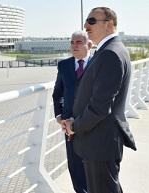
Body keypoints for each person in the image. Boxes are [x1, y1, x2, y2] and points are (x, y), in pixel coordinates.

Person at [64, 7, 137, 193]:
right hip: (100, 141)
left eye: (92, 20)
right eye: (86, 21)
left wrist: (74, 126)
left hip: (100, 142)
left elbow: (100, 107)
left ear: (110, 24)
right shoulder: (108, 50)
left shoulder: (110, 54)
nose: (86, 25)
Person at [52, 31, 91, 193]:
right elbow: (58, 92)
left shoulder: (97, 64)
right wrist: (59, 116)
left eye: (79, 42)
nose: (74, 46)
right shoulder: (64, 65)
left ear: (89, 45)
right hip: (68, 124)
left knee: (91, 162)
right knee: (74, 163)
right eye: (72, 43)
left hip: (91, 121)